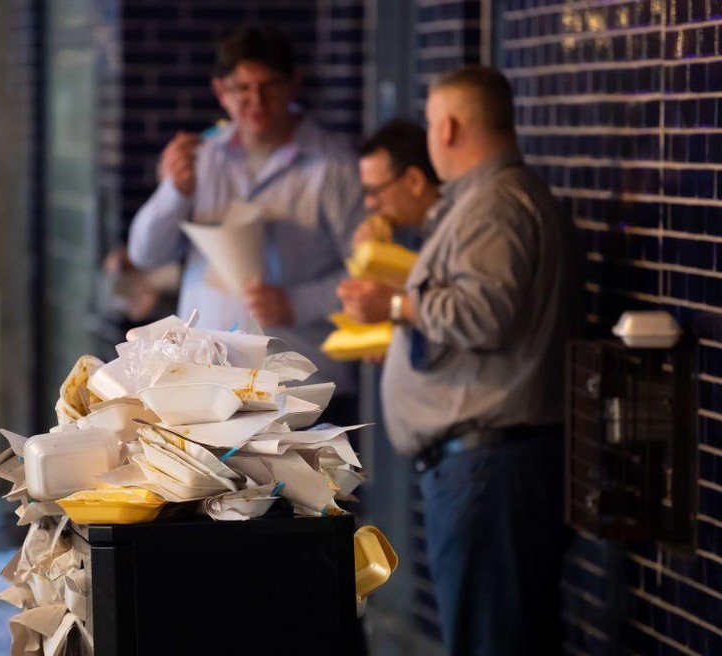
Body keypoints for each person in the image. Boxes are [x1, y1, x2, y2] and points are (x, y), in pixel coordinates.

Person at [348, 66, 572, 656]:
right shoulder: (490, 199)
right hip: (487, 469)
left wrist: (396, 302)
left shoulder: (495, 204)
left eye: (428, 124)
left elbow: (484, 313)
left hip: (492, 470)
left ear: (446, 127)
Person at [127, 23, 363, 426]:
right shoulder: (202, 157)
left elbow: (368, 275)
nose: (256, 101)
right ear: (221, 91)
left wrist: (296, 302)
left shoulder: (334, 165)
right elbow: (145, 253)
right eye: (242, 89)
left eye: (269, 86)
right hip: (203, 387)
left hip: (302, 389)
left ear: (293, 86)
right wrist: (174, 191)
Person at [337, 119, 440, 323]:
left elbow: (444, 308)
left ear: (414, 181)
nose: (369, 204)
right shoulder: (412, 233)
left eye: (374, 191)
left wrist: (380, 258)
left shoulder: (454, 232)